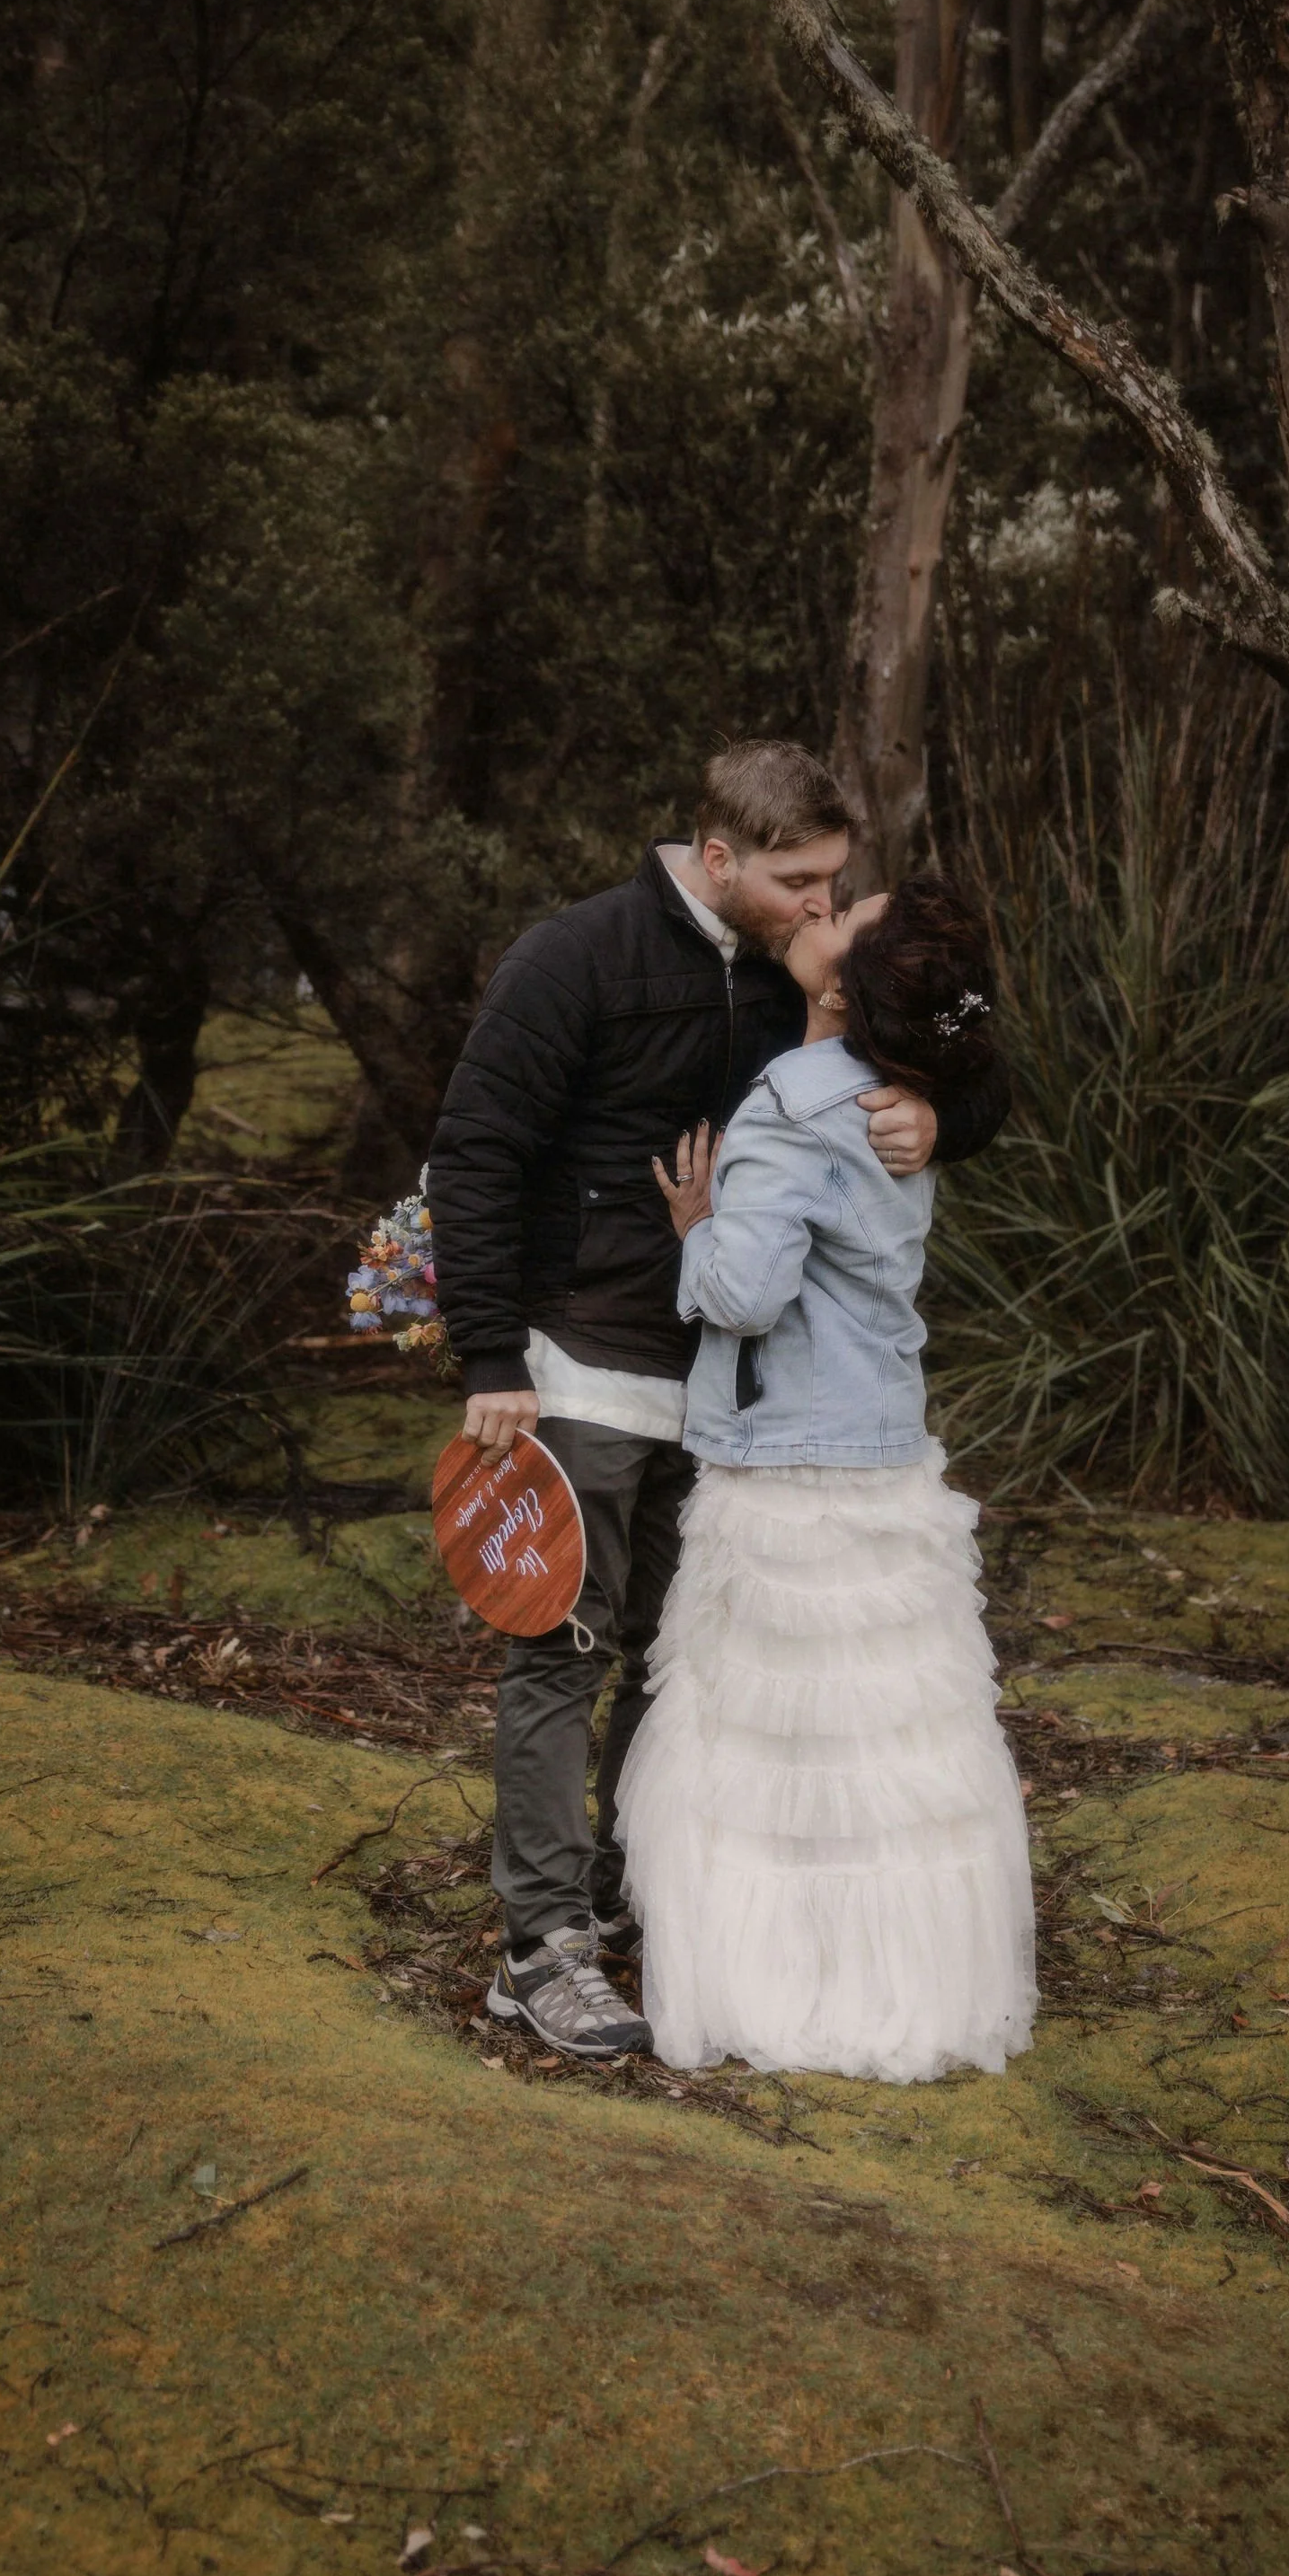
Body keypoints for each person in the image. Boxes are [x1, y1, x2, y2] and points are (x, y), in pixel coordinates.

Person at [426, 742, 1009, 2060]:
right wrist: (489, 1357)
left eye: (835, 884)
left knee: (677, 1656)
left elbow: (952, 1042)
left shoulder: (796, 979)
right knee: (561, 1650)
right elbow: (476, 1149)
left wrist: (944, 1116)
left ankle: (637, 1900)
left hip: (731, 1403)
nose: (822, 905)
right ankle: (542, 1948)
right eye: (800, 882)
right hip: (584, 1368)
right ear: (720, 855)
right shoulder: (575, 957)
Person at [614, 876, 1037, 2083]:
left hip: (789, 1455)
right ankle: (897, 1979)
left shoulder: (794, 1109)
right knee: (881, 1730)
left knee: (775, 1735)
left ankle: (784, 1983)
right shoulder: (893, 1101)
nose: (819, 909)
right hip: (883, 1446)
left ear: (847, 990)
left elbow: (747, 1295)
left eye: (842, 914)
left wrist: (696, 1229)